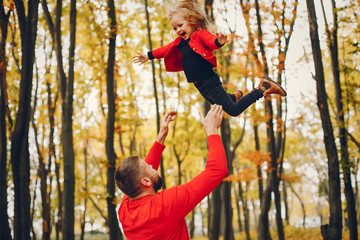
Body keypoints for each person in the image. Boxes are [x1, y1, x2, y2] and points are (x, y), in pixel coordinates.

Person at [133, 0, 287, 117]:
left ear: (192, 21)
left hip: (209, 82)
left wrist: (218, 41)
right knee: (217, 104)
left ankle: (263, 88)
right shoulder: (180, 43)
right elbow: (164, 50)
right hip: (200, 85)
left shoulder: (198, 35)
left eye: (180, 25)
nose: (178, 30)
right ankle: (233, 97)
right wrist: (148, 56)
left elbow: (210, 41)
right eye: (175, 28)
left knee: (233, 111)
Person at [115, 104, 227, 239]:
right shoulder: (165, 205)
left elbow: (140, 173)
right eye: (149, 167)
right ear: (145, 181)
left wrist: (162, 135)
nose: (152, 166)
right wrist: (212, 130)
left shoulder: (125, 209)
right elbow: (217, 170)